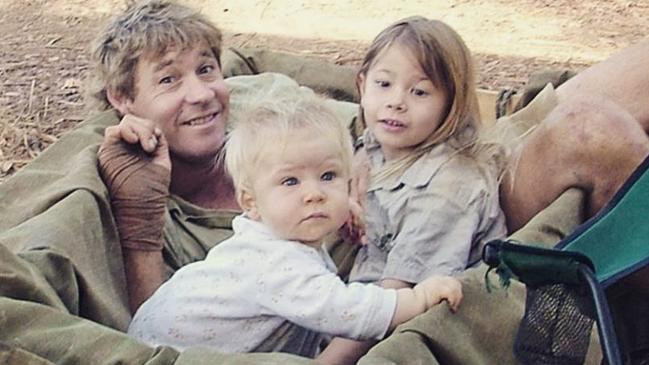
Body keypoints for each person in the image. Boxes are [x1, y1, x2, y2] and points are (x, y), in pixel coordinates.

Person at [0, 0, 648, 363]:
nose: (202, 94)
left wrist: (430, 107)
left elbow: (364, 85)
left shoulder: (255, 96)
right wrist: (140, 222)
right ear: (122, 98)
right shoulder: (138, 184)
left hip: (430, 142)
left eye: (206, 68)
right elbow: (149, 324)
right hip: (426, 229)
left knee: (625, 81)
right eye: (169, 81)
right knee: (595, 133)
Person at [126, 95, 462, 361]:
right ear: (250, 202)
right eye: (290, 181)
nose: (314, 193)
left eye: (328, 176)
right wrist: (416, 298)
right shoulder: (276, 263)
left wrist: (343, 210)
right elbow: (346, 310)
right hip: (165, 357)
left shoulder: (268, 231)